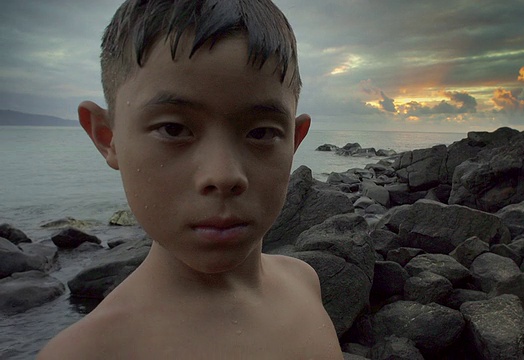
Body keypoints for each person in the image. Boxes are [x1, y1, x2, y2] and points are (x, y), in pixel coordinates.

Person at [37, 0, 343, 358]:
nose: (224, 176)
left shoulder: (304, 281)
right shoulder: (88, 352)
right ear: (107, 137)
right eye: (173, 128)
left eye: (261, 133)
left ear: (294, 140)